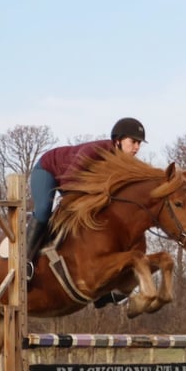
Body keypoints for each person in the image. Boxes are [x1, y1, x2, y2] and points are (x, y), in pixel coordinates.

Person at [26, 117, 147, 307]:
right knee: (43, 211)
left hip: (72, 183)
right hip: (49, 170)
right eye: (133, 142)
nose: (137, 147)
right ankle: (25, 261)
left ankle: (104, 289)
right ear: (118, 140)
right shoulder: (95, 151)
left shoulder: (126, 164)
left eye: (139, 143)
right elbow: (69, 182)